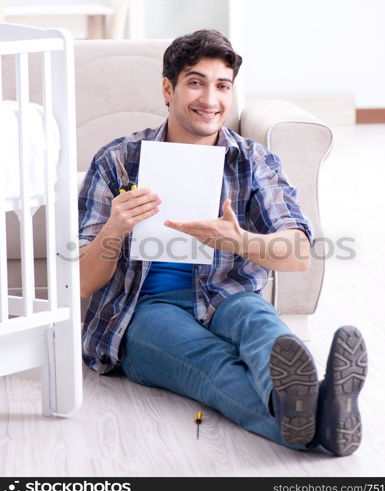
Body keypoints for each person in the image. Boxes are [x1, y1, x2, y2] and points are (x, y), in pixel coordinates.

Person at [78, 29, 367, 456]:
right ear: (168, 88)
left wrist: (241, 240)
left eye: (222, 86)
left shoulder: (254, 160)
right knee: (211, 364)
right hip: (143, 310)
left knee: (262, 325)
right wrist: (115, 228)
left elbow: (299, 254)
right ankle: (327, 416)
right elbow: (83, 281)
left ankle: (312, 413)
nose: (209, 100)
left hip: (226, 293)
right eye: (195, 82)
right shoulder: (119, 159)